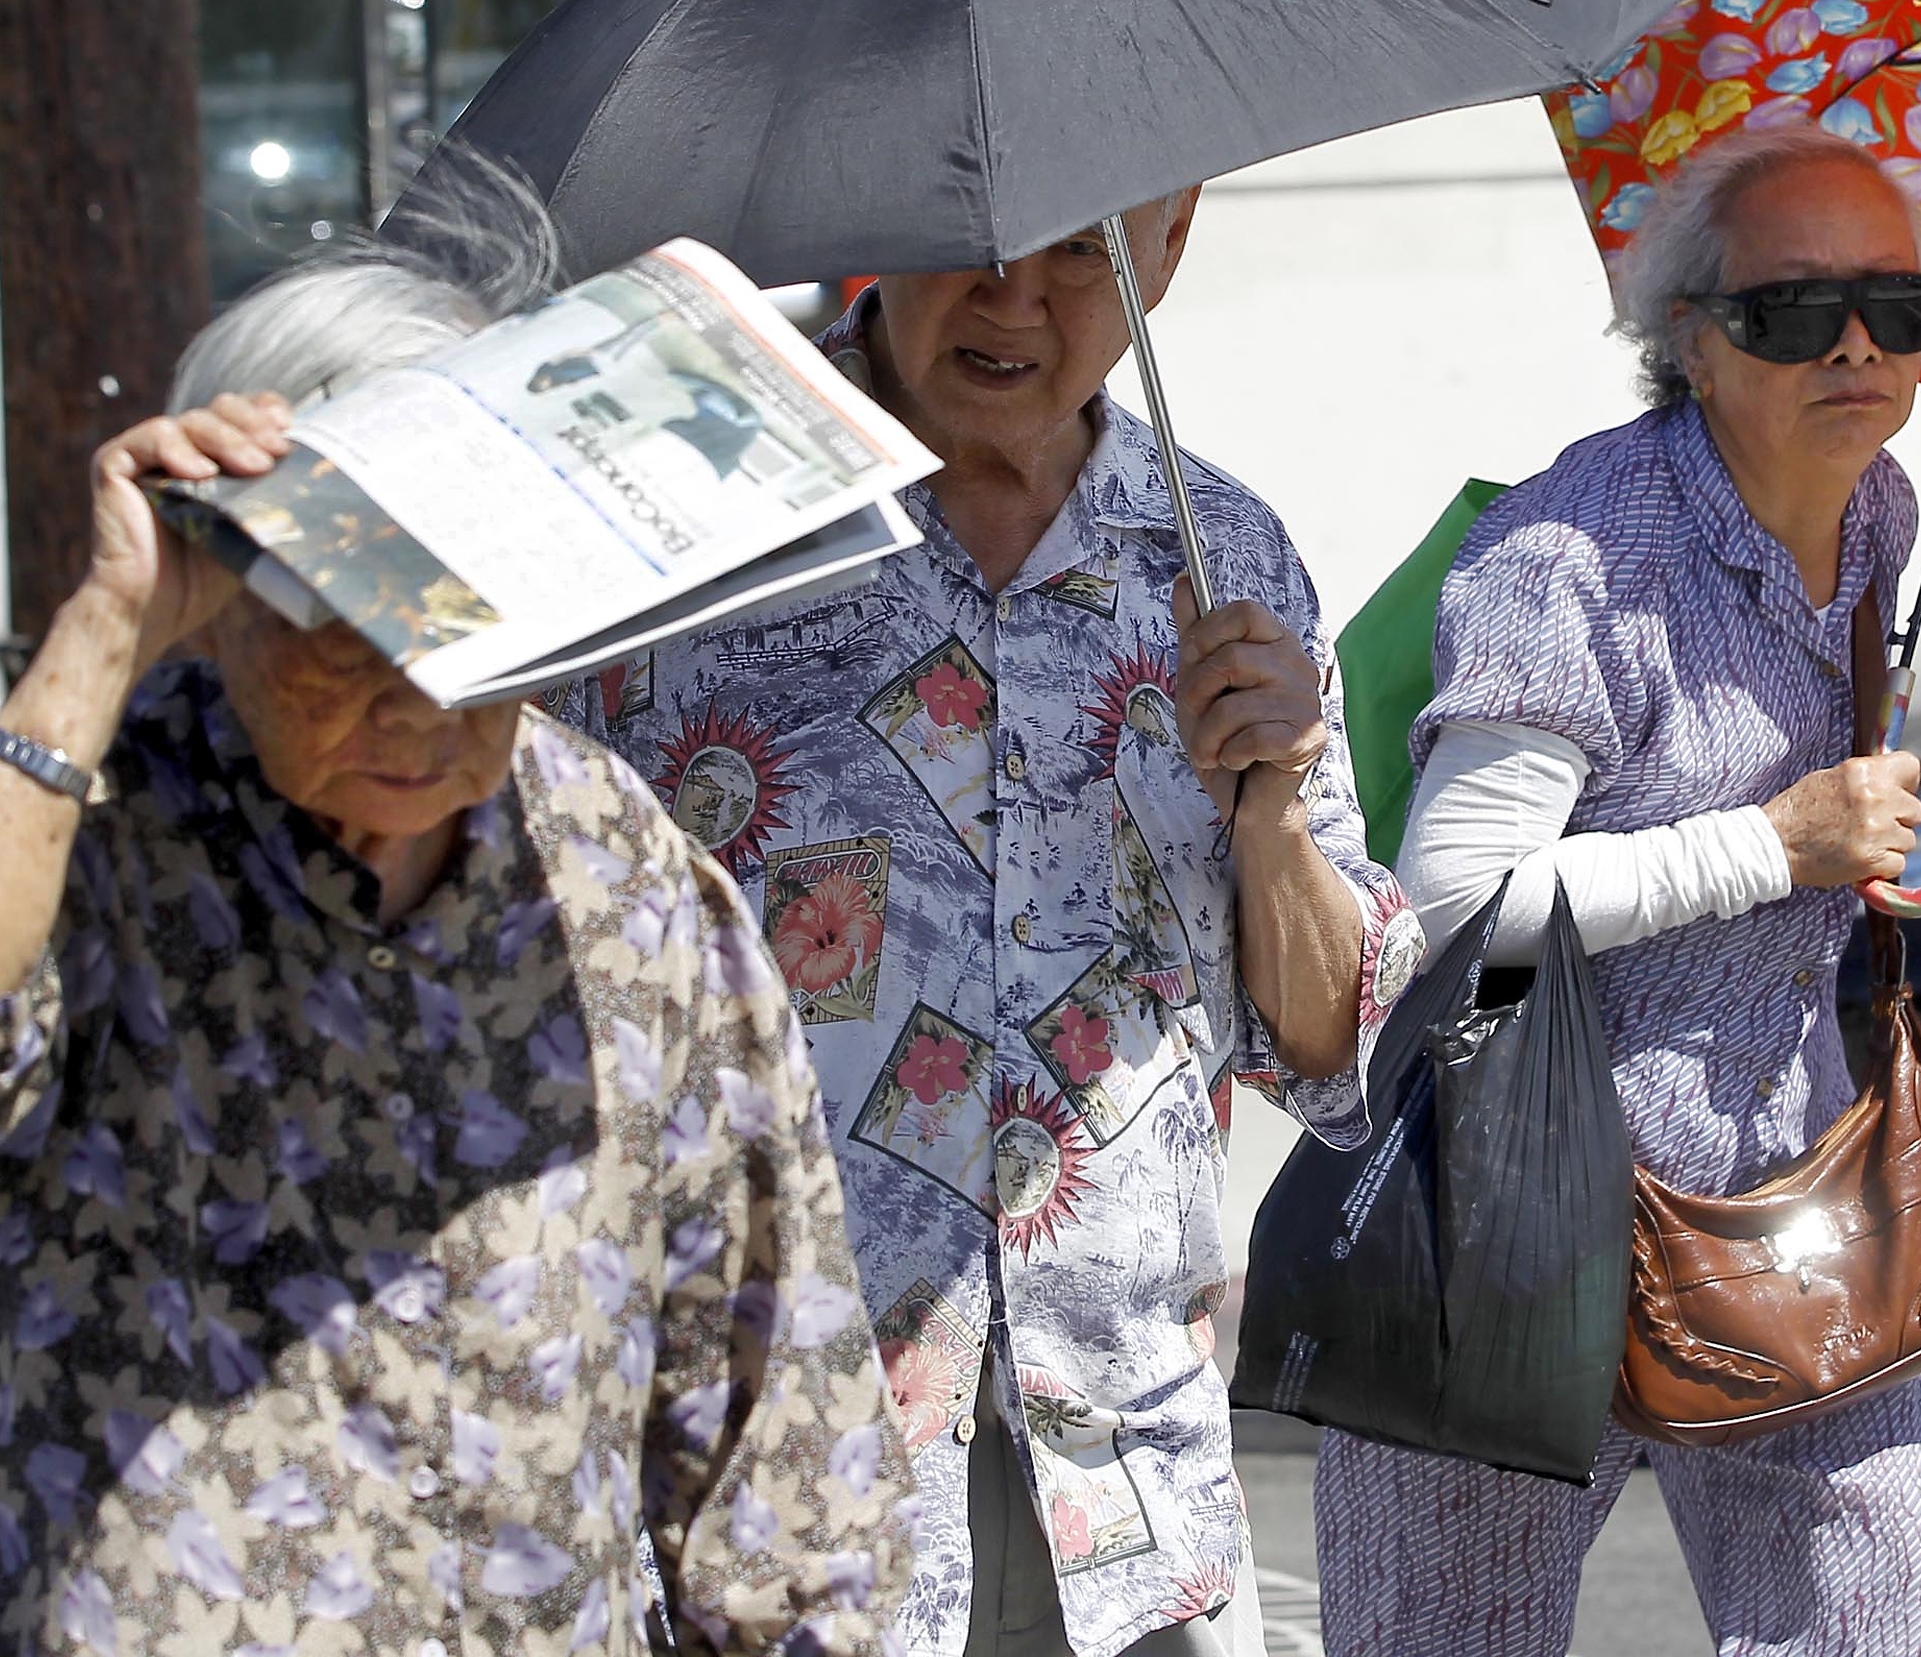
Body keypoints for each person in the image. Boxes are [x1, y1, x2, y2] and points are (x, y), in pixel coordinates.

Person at [0, 192, 914, 1655]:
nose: (419, 699)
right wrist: (106, 625)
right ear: (223, 583)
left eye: (470, 619)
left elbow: (773, 1412)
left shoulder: (623, 874)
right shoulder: (89, 817)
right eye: (342, 620)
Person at [561, 194, 1424, 1657]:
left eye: (1081, 247)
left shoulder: (1222, 557)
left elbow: (1326, 1041)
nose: (1012, 296)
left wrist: (1270, 808)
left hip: (1129, 1469)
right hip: (777, 1456)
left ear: (1169, 247)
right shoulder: (696, 520)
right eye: (962, 230)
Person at [1315, 124, 1921, 1657]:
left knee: (1879, 1606)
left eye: (1903, 305)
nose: (1858, 346)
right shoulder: (1574, 556)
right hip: (1518, 1202)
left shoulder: (1880, 515)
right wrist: (1771, 846)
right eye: (1798, 311)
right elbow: (1451, 904)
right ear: (1691, 339)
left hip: (1780, 1183)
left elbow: (1800, 835)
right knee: (1449, 1638)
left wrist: (1863, 862)